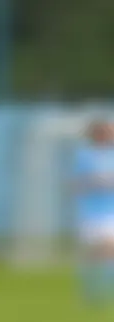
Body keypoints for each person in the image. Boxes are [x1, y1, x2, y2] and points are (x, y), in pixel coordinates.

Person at [74, 119, 114, 305]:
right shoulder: (85, 156)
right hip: (90, 212)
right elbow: (76, 184)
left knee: (110, 249)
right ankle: (90, 291)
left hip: (110, 211)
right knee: (94, 254)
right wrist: (95, 182)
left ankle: (102, 291)